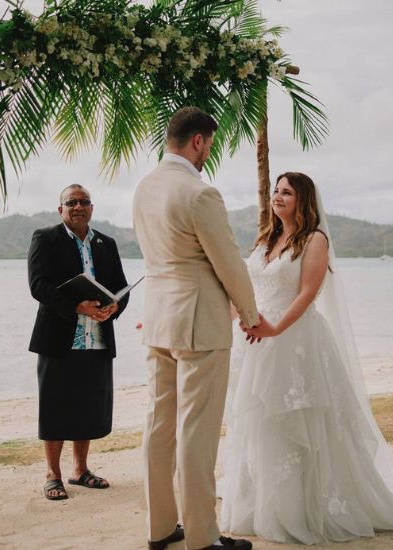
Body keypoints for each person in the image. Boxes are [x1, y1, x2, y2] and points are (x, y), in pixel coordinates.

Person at [222, 172, 393, 544]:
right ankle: (263, 507)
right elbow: (249, 286)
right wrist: (242, 318)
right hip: (258, 343)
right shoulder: (266, 239)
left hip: (296, 343)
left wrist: (275, 329)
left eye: (286, 192)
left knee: (301, 426)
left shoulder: (314, 240)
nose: (277, 196)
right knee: (260, 423)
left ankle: (300, 511)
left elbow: (307, 294)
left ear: (302, 199)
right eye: (275, 190)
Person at [133, 107, 261, 550]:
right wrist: (250, 313)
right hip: (198, 324)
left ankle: (161, 529)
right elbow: (228, 262)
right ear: (199, 141)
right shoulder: (199, 193)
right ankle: (203, 539)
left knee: (159, 426)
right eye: (209, 144)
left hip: (159, 321)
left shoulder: (144, 188)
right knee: (197, 433)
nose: (208, 152)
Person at [28, 184, 129, 501]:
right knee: (55, 406)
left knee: (87, 406)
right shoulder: (45, 238)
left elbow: (121, 287)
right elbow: (38, 285)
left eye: (84, 201)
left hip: (97, 339)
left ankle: (80, 471)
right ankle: (52, 474)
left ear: (92, 207)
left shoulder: (106, 243)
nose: (78, 206)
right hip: (58, 338)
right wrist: (76, 306)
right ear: (61, 209)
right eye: (71, 202)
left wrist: (115, 307)